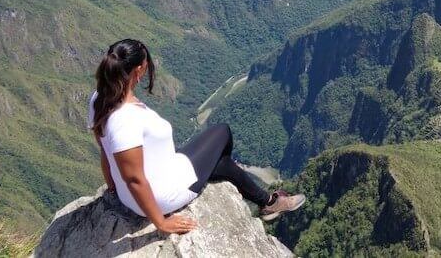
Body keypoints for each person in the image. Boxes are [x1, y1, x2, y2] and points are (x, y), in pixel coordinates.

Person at [87, 39, 304, 234]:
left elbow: (105, 150)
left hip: (144, 185)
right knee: (222, 132)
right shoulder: (126, 118)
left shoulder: (100, 99)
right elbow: (134, 180)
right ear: (139, 69)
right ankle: (267, 201)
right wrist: (161, 223)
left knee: (221, 160)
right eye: (146, 64)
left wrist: (113, 185)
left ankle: (264, 199)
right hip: (162, 194)